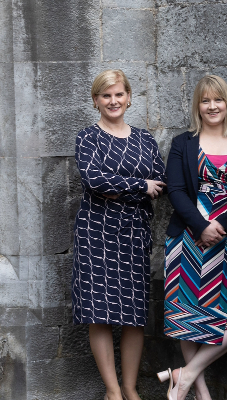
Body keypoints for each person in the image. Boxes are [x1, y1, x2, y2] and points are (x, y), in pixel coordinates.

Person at [158, 75, 227, 400]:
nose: (212, 106)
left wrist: (222, 224)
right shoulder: (183, 143)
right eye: (205, 100)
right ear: (198, 106)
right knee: (185, 319)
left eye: (218, 99)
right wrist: (201, 225)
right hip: (188, 241)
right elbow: (174, 190)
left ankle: (184, 375)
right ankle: (201, 394)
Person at [72, 69, 167, 400]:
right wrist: (139, 186)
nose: (113, 101)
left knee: (134, 314)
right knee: (99, 312)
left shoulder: (144, 139)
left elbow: (161, 181)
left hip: (134, 234)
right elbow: (94, 181)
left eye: (119, 94)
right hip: (96, 234)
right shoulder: (88, 138)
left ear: (129, 97)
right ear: (96, 100)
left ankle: (130, 388)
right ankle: (113, 392)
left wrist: (119, 189)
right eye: (105, 95)